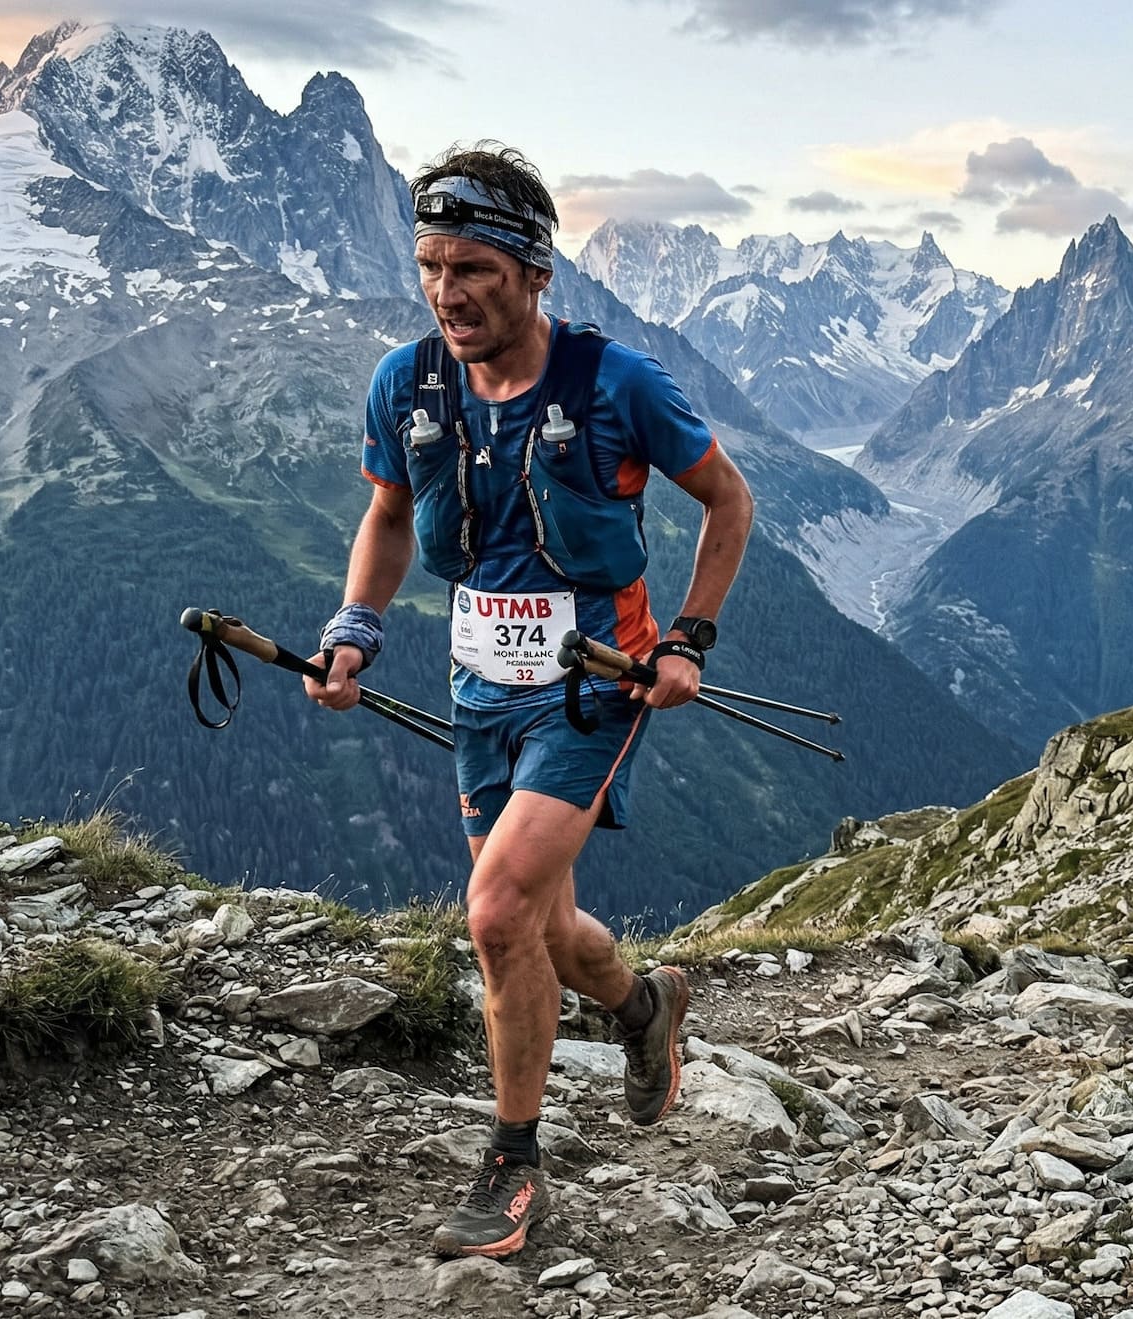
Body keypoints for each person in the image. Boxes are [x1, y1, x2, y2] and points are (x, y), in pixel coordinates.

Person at [304, 143, 754, 1260]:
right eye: (430, 267)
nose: (448, 293)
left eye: (474, 270)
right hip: (478, 687)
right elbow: (391, 519)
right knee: (545, 925)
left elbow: (728, 499)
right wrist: (353, 630)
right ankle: (646, 1007)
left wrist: (688, 639)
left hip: (594, 688)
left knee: (498, 910)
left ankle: (513, 1160)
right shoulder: (403, 384)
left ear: (535, 271)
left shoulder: (617, 385)